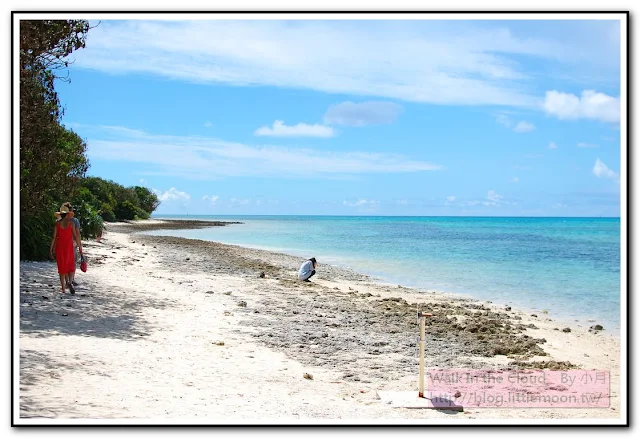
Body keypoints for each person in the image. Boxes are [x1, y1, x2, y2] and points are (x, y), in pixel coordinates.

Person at [50, 204, 83, 294]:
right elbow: (75, 236)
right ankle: (69, 282)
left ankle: (63, 289)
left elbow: (54, 237)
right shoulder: (71, 223)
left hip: (60, 247)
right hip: (69, 246)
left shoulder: (57, 223)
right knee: (70, 264)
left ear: (61, 214)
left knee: (62, 267)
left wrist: (51, 249)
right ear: (68, 214)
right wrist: (80, 246)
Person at [62, 202, 82, 286]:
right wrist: (80, 246)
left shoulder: (59, 221)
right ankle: (71, 280)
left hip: (62, 244)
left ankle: (67, 281)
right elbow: (77, 234)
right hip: (72, 244)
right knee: (72, 262)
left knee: (65, 262)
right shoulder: (75, 220)